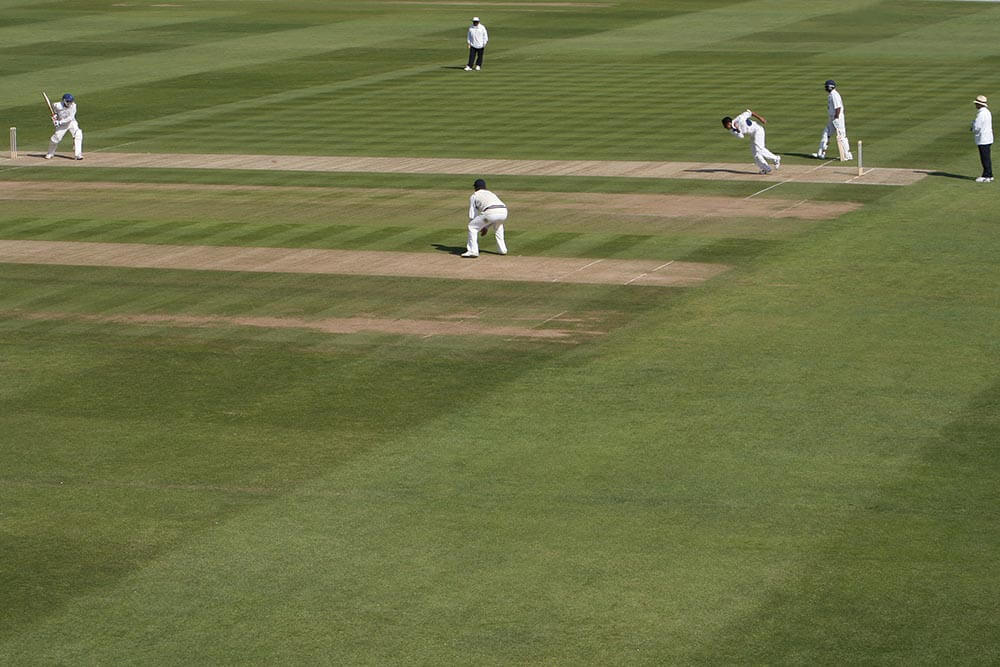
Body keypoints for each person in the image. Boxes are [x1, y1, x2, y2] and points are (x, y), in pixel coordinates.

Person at [722, 109, 781, 174]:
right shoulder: (731, 130)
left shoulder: (740, 118)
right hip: (752, 134)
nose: (725, 127)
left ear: (729, 123)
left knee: (759, 149)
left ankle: (776, 158)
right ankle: (766, 168)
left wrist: (760, 118)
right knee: (755, 153)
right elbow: (741, 136)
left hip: (758, 130)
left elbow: (750, 112)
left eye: (725, 126)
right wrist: (737, 129)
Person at [462, 178, 508, 258]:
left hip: (490, 213)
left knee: (472, 227)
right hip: (503, 212)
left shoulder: (474, 195)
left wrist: (478, 225)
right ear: (484, 187)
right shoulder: (491, 193)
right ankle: (503, 250)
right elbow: (493, 217)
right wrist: (485, 226)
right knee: (498, 226)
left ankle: (473, 251)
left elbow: (473, 214)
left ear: (475, 187)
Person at [812, 79, 852, 160]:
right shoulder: (831, 95)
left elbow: (838, 108)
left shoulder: (834, 95)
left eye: (826, 86)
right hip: (832, 118)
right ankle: (821, 153)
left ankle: (847, 155)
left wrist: (836, 118)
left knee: (841, 136)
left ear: (830, 87)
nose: (825, 88)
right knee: (826, 134)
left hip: (838, 118)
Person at [45, 93, 83, 161]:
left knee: (78, 134)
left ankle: (78, 154)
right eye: (68, 101)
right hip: (62, 126)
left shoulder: (73, 106)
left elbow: (70, 118)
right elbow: (54, 113)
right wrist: (54, 117)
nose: (70, 103)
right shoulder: (56, 105)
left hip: (71, 123)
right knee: (55, 139)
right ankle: (50, 153)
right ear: (64, 101)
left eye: (71, 101)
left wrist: (59, 122)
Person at [971, 94, 993, 183]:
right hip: (987, 138)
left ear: (980, 104)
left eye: (976, 104)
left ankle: (986, 176)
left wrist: (972, 126)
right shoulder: (987, 112)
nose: (975, 105)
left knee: (985, 158)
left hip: (983, 139)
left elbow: (977, 127)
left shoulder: (981, 114)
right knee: (986, 157)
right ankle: (989, 175)